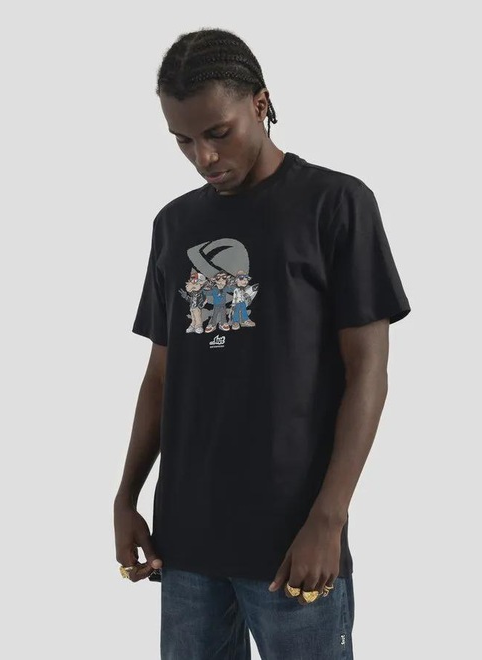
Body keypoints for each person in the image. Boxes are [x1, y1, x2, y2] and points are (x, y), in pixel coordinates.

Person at [113, 27, 411, 660]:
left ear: (261, 103)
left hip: (292, 540)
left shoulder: (335, 204)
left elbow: (368, 373)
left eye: (218, 133)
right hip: (185, 541)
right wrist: (126, 495)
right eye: (183, 141)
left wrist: (329, 517)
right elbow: (162, 376)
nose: (204, 157)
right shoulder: (175, 225)